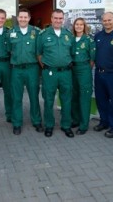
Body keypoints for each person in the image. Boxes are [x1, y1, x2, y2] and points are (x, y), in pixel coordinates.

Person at [37, 9, 74, 138]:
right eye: (55, 18)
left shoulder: (69, 35)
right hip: (49, 73)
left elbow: (72, 53)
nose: (58, 20)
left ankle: (66, 125)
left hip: (65, 73)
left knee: (67, 100)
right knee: (48, 100)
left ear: (63, 19)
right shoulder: (43, 35)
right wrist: (47, 67)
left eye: (60, 18)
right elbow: (39, 54)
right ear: (51, 19)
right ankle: (49, 125)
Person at [8, 8, 43, 135]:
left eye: (25, 17)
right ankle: (17, 123)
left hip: (32, 69)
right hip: (16, 70)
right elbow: (8, 50)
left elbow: (40, 50)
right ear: (17, 18)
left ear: (29, 18)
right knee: (16, 98)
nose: (22, 19)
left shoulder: (36, 32)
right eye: (20, 17)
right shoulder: (11, 32)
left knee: (34, 96)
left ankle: (37, 121)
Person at [71, 18, 96, 135]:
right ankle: (75, 120)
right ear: (74, 26)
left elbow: (92, 59)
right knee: (74, 96)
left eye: (81, 24)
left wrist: (85, 68)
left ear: (84, 26)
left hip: (84, 69)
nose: (79, 26)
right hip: (71, 69)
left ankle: (84, 124)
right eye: (77, 24)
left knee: (84, 97)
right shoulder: (70, 39)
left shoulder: (89, 40)